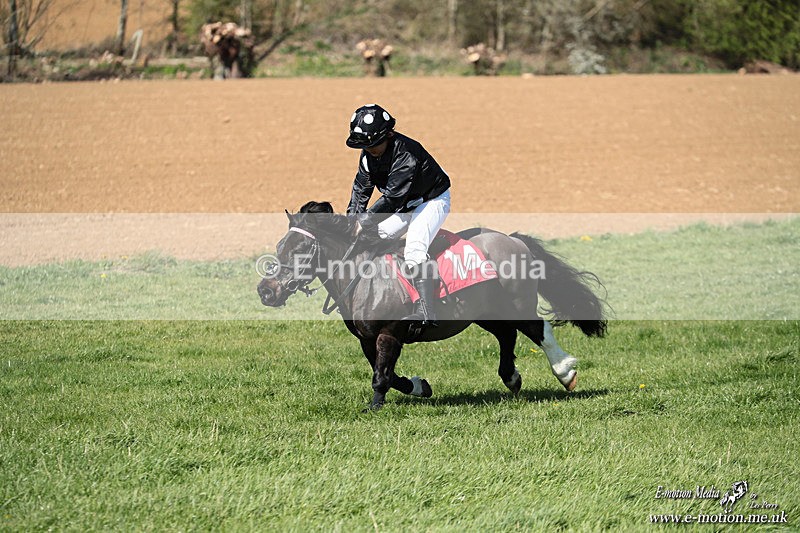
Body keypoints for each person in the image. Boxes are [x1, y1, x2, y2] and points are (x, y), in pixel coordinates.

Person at [345, 104, 451, 331]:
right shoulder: (368, 156)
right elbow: (361, 189)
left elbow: (392, 198)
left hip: (431, 201)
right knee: (370, 237)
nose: (369, 150)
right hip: (406, 204)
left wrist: (363, 222)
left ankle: (426, 311)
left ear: (389, 135)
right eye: (366, 146)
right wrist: (351, 220)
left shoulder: (407, 154)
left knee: (414, 249)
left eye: (374, 145)